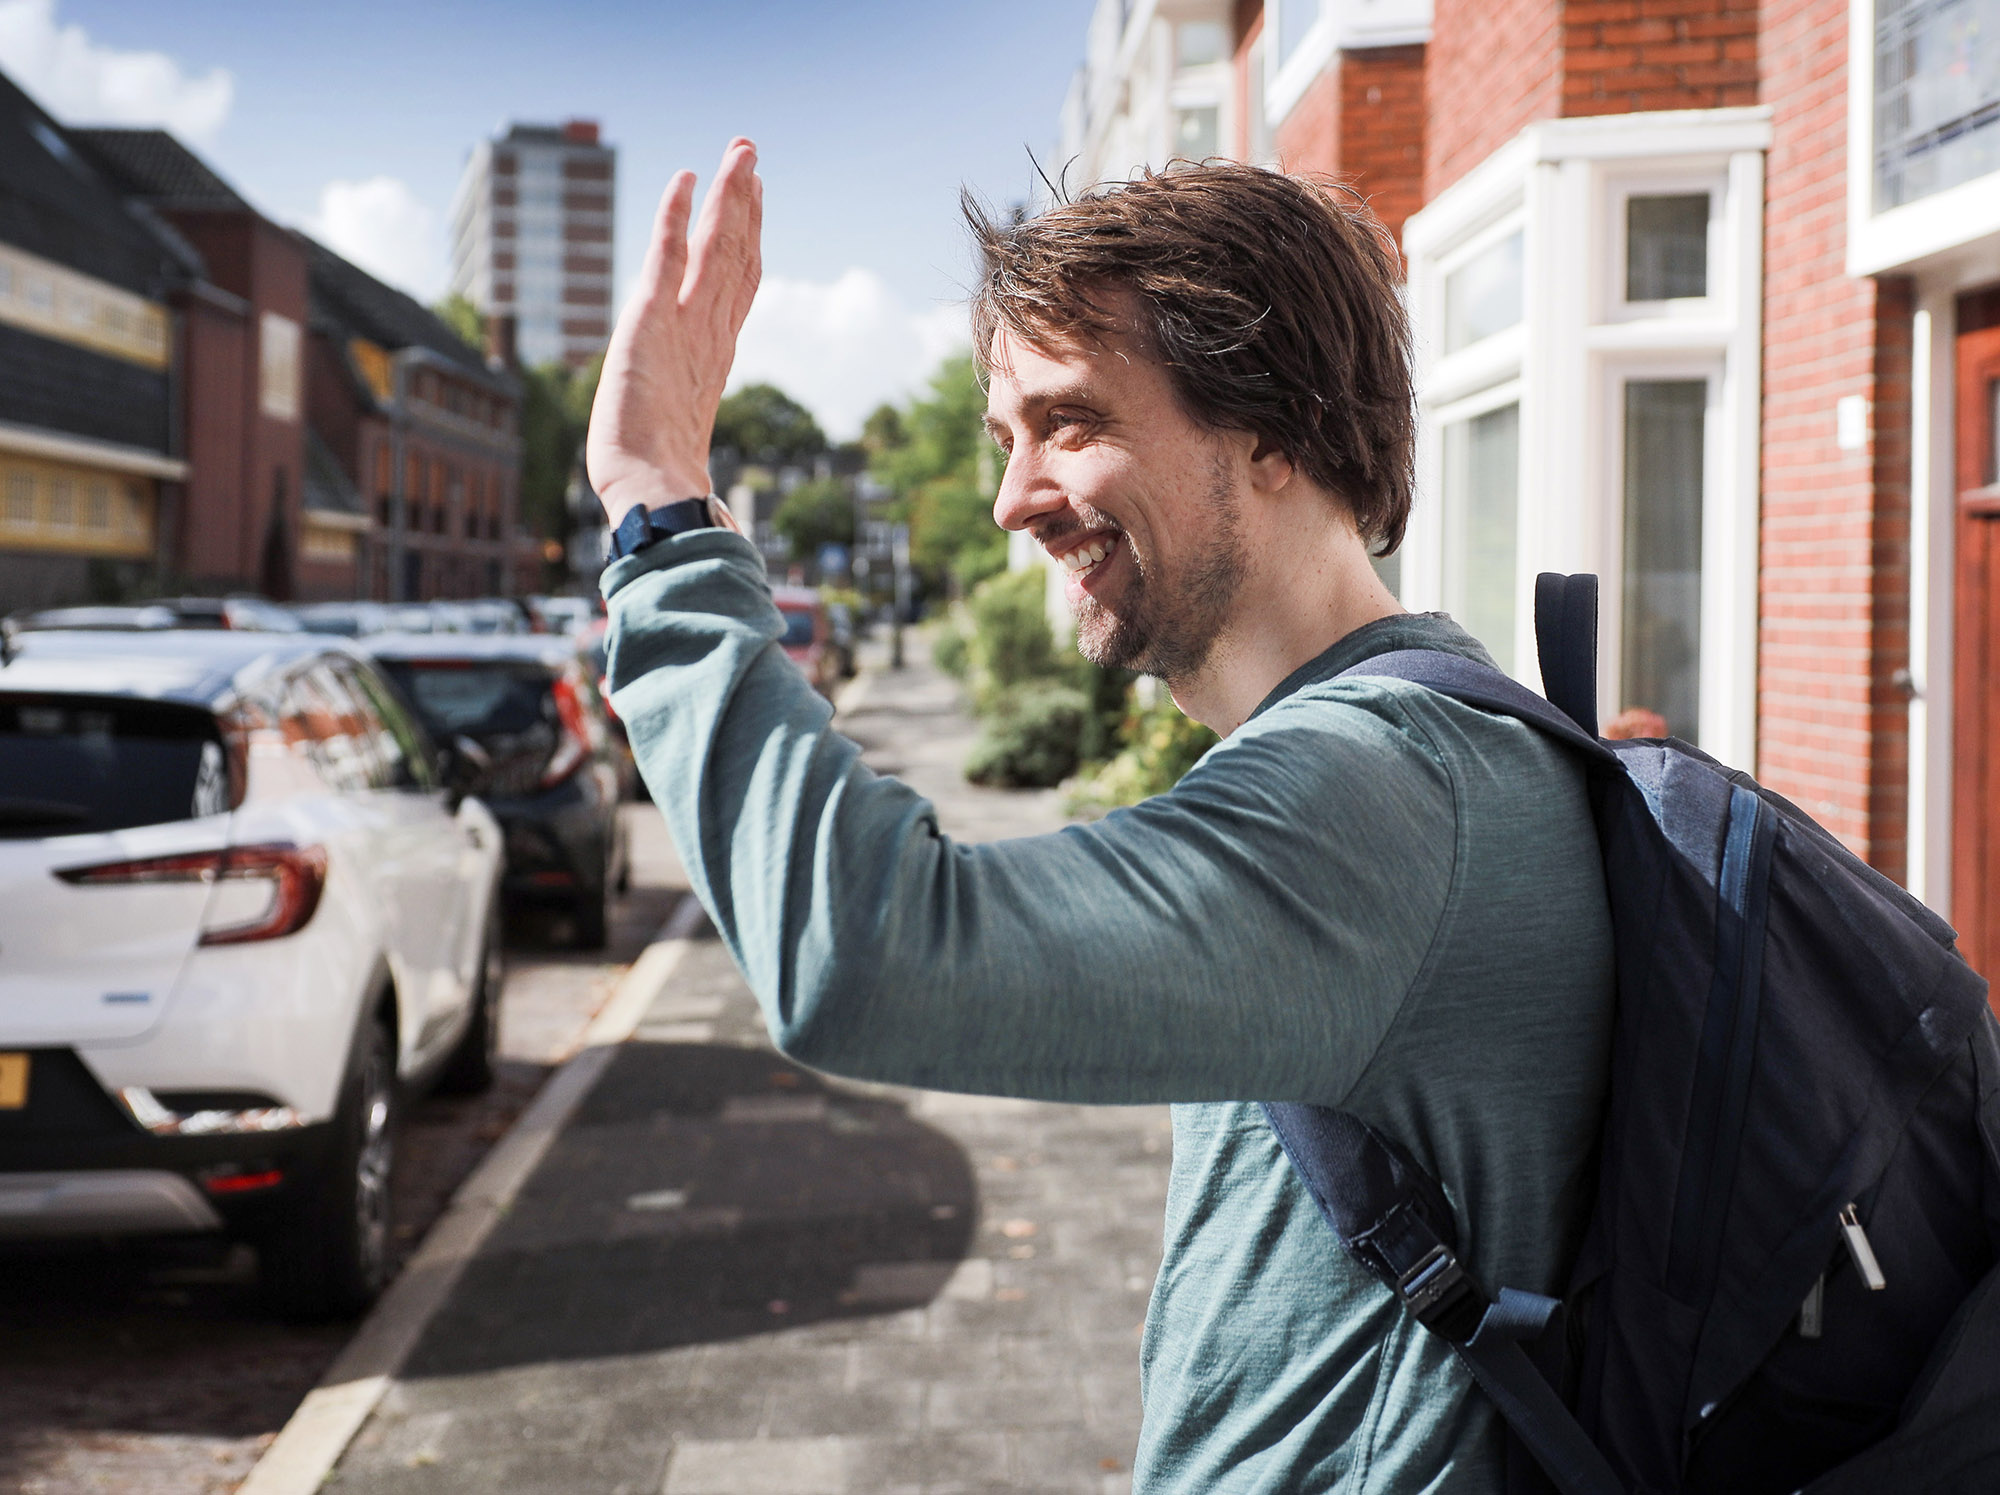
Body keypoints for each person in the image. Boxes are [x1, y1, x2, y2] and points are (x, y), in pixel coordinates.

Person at [587, 138, 1614, 1494]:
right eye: (1006, 441)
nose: (1015, 501)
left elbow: (865, 953)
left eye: (1071, 422)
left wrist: (662, 527)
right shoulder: (1441, 740)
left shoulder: (1373, 798)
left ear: (1275, 432)